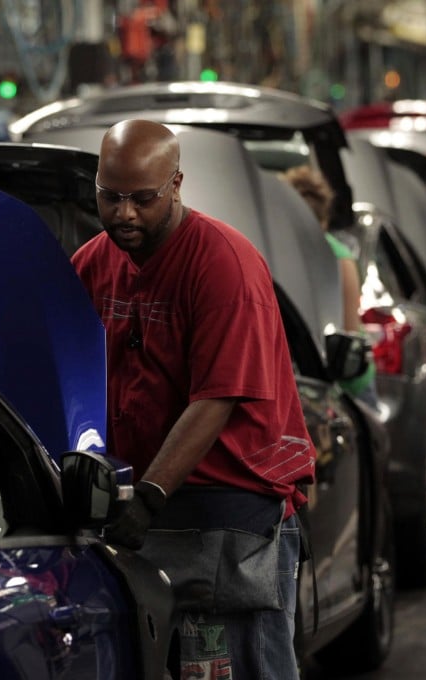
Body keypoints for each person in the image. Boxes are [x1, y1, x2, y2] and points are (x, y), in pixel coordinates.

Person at [72, 119, 314, 680]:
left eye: (143, 199)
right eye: (110, 197)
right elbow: (66, 376)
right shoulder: (92, 264)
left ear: (176, 184)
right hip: (138, 518)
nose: (124, 214)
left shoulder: (223, 264)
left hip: (225, 518)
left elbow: (216, 397)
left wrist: (149, 496)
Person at [282, 164, 379, 407]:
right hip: (346, 386)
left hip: (312, 385)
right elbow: (350, 331)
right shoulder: (338, 254)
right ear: (323, 218)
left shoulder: (277, 255)